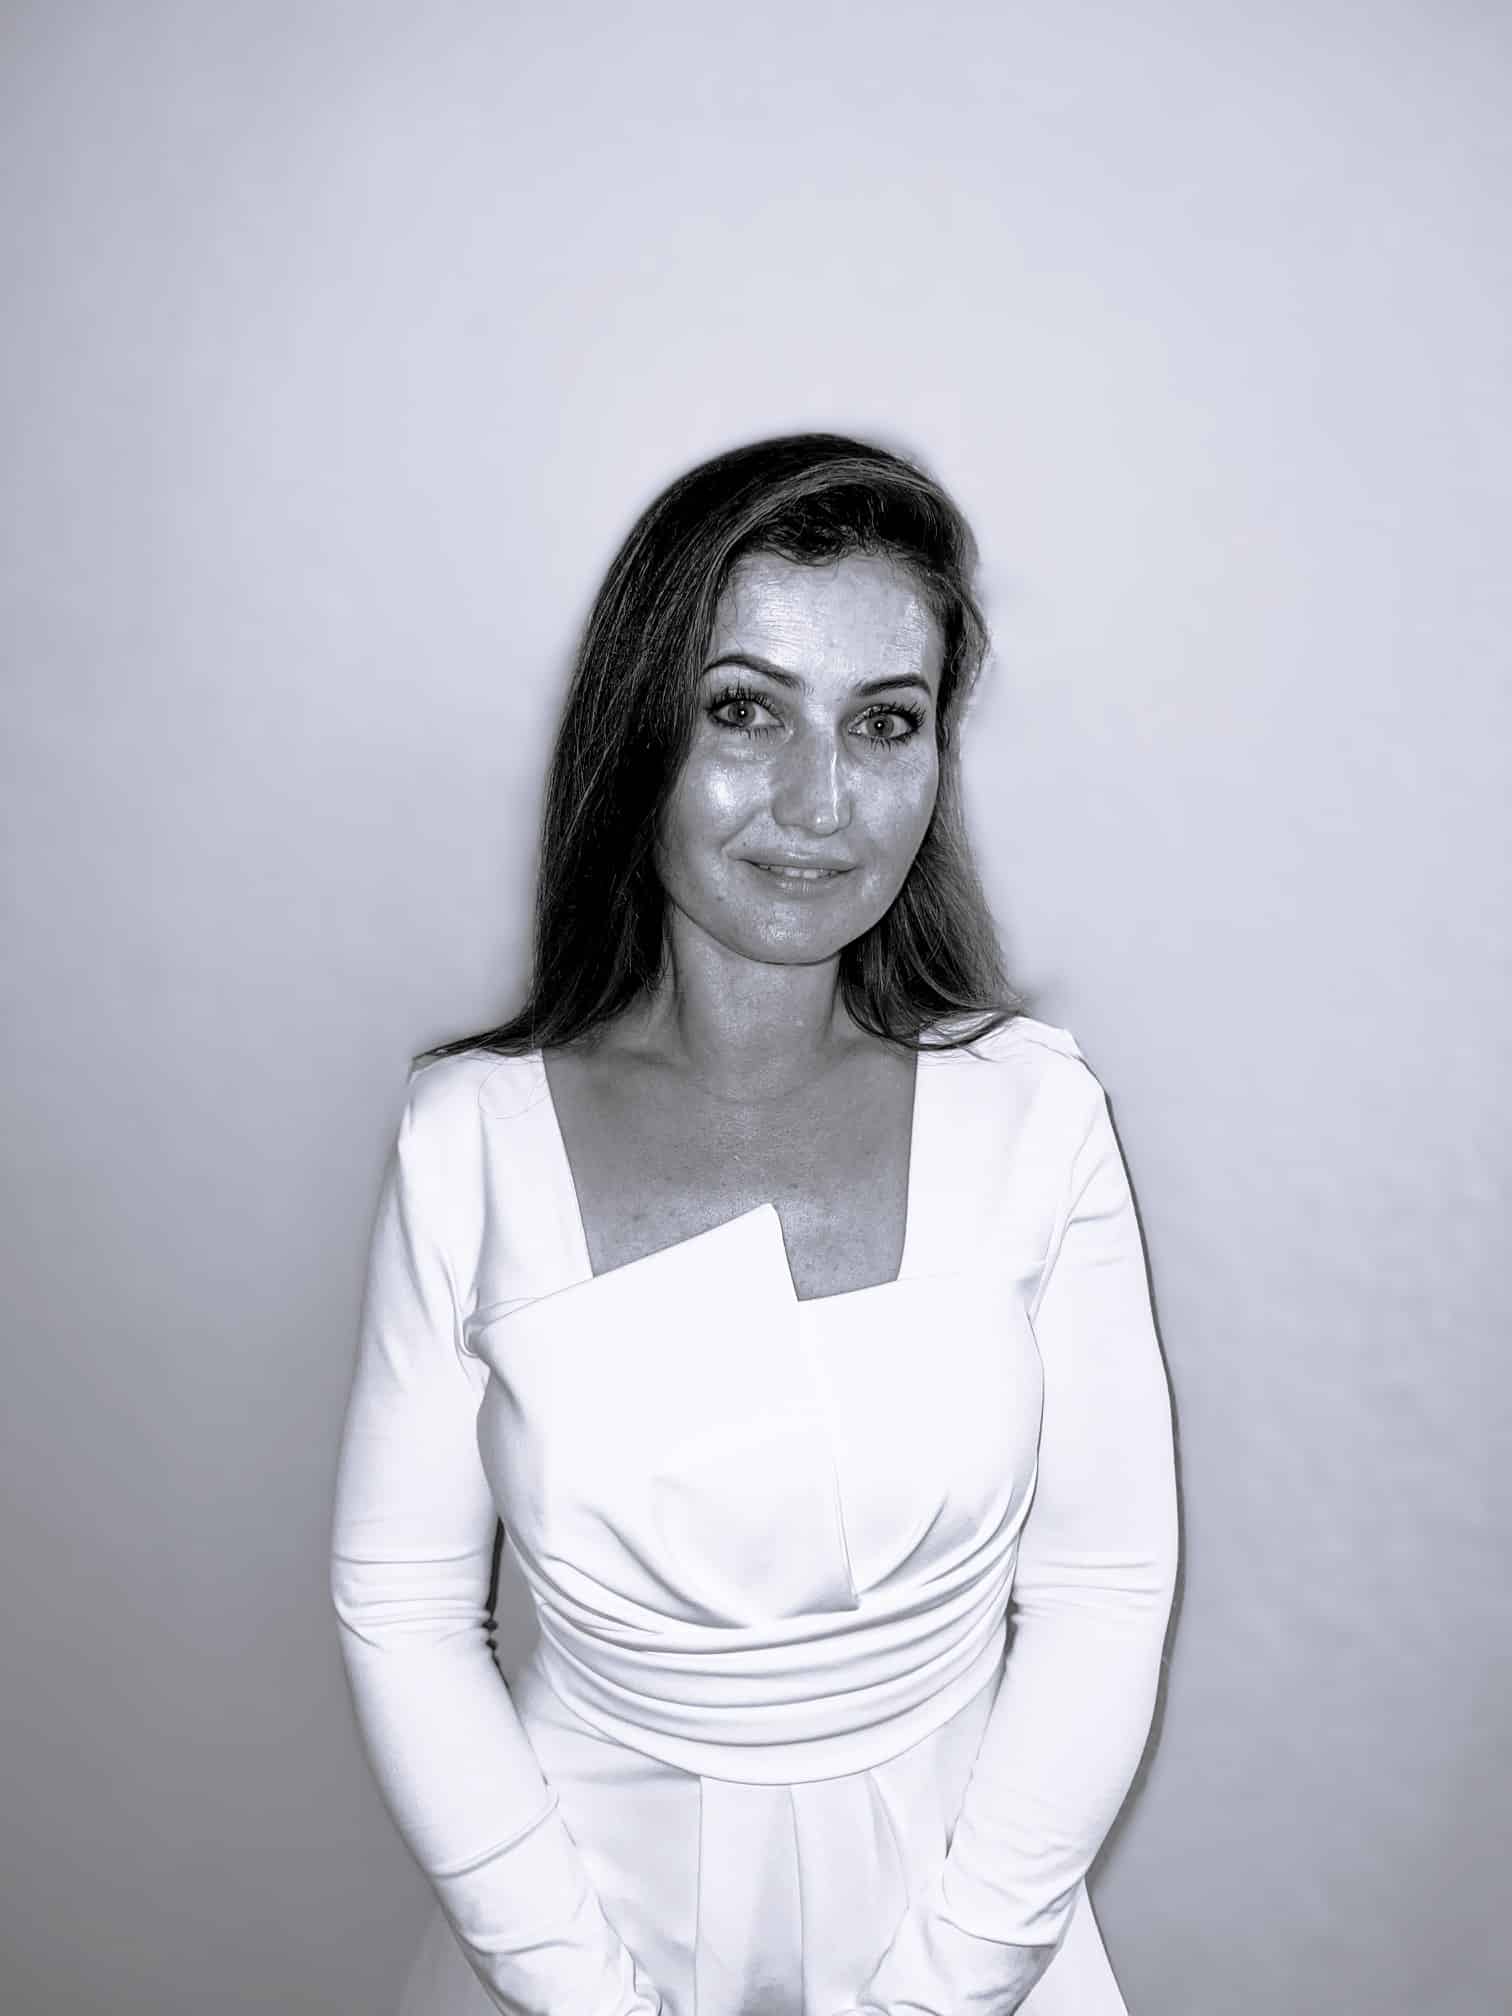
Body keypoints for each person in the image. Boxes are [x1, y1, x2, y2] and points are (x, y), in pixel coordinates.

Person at [329, 432, 1179, 2016]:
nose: (820, 800)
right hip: (572, 1938)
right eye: (745, 709)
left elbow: (1104, 1589)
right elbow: (404, 1607)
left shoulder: (1036, 1115)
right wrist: (582, 1993)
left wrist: (947, 1989)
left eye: (885, 722)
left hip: (975, 1943)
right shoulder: (471, 1143)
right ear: (639, 730)